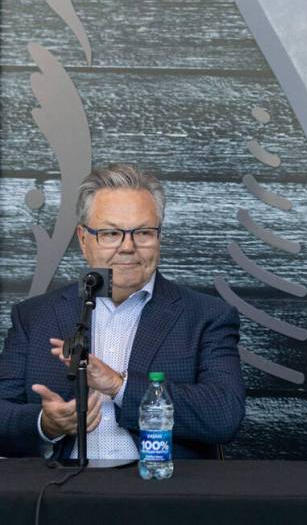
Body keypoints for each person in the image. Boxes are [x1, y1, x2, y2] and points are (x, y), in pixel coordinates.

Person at [0, 163, 245, 460]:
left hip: (159, 493)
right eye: (111, 233)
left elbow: (224, 415)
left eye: (142, 232)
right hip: (59, 494)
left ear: (159, 237)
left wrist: (120, 386)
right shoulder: (34, 317)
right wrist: (46, 424)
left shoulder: (206, 316)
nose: (128, 247)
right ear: (83, 239)